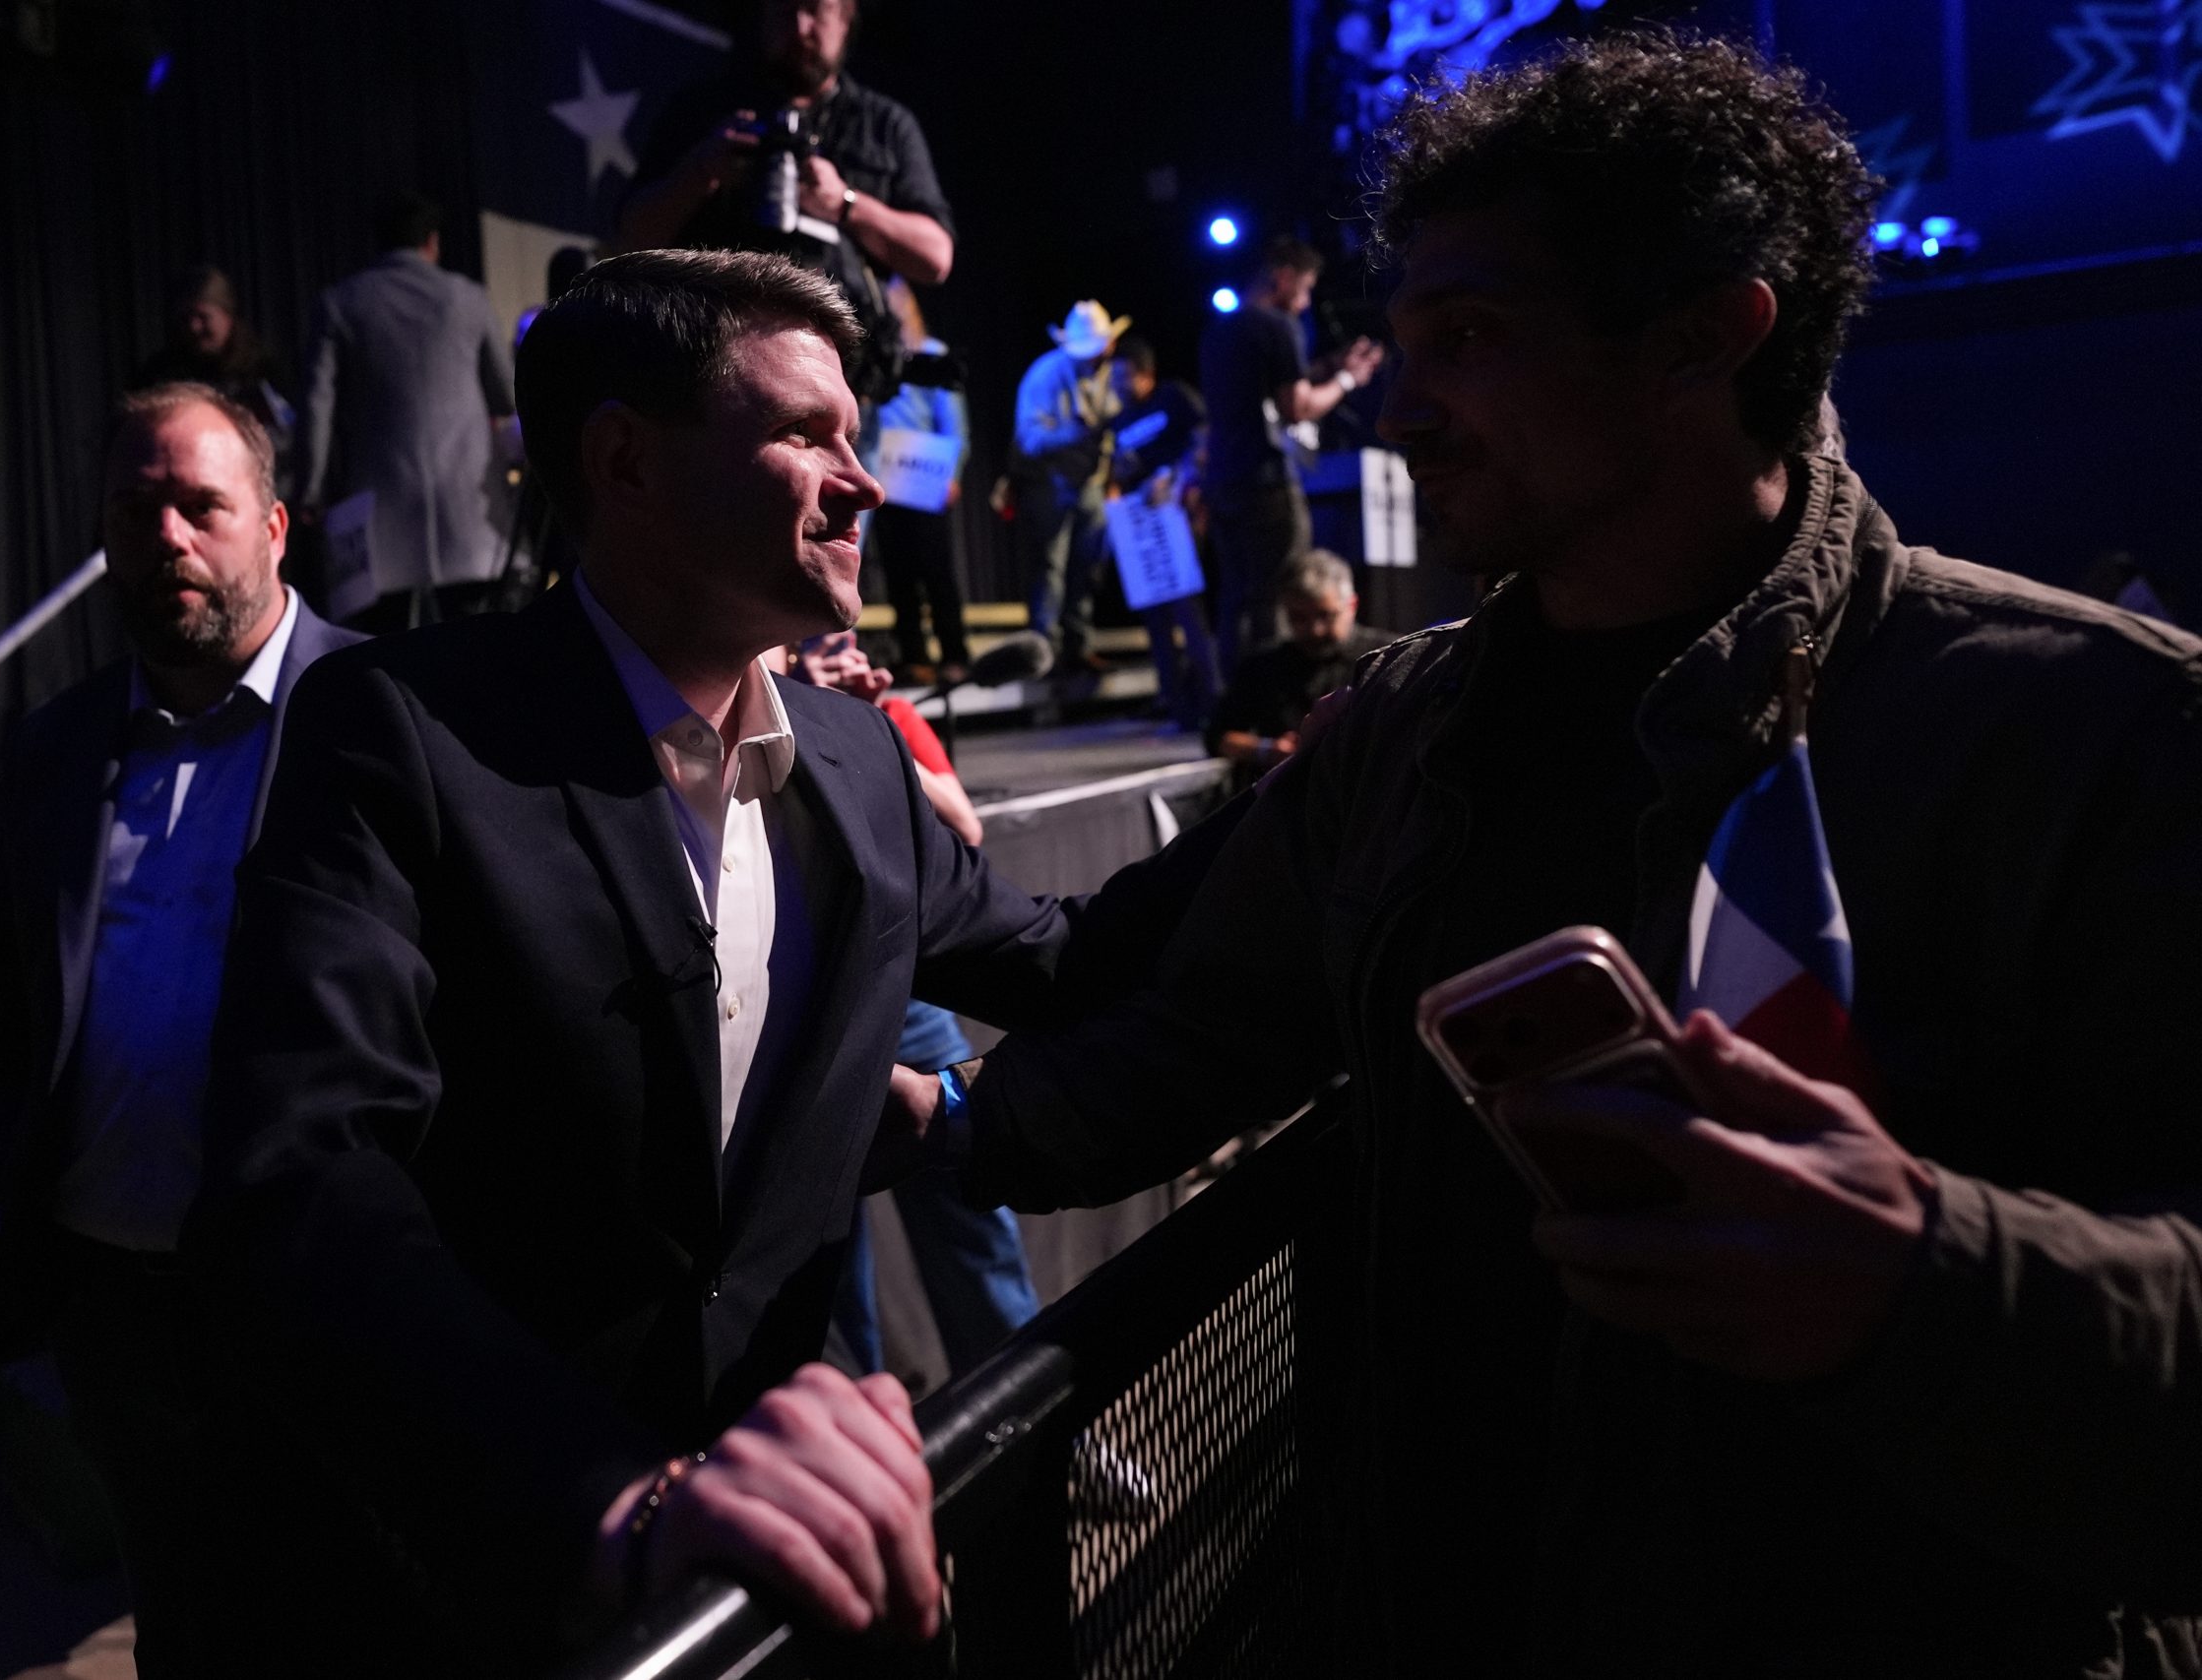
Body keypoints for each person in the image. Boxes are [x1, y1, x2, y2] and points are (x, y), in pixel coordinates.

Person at [881, 34, 2202, 1674]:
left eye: (1473, 338)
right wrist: (915, 1101)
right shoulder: (1407, 724)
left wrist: (1925, 1272)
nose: (1408, 404)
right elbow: (1186, 1015)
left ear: (1708, 337)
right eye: (1400, 338)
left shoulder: (2088, 729)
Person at [188, 250, 1077, 1672]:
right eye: (805, 433)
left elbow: (1066, 958)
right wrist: (612, 1495)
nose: (862, 481)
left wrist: (1312, 810)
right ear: (625, 461)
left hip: (794, 1590)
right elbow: (303, 1171)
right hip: (502, 1589)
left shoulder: (860, 760)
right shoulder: (402, 729)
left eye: (858, 435)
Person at [0, 383, 362, 1674]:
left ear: (275, 525)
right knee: (182, 1614)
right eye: (137, 508)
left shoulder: (390, 713)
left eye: (202, 504)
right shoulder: (56, 744)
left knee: (351, 1607)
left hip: (323, 1288)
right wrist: (1, 1211)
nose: (169, 533)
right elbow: (9, 1008)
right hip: (116, 1293)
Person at [786, 633, 1040, 1378]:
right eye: (816, 644)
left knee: (974, 1218)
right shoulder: (734, 704)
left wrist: (854, 724)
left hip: (904, 997)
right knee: (824, 1260)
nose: (841, 649)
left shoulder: (886, 715)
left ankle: (1024, 1425)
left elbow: (962, 828)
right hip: (798, 1006)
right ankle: (853, 1445)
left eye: (845, 640)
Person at [619, 0, 953, 402]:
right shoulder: (703, 111)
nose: (800, 27)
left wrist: (845, 203)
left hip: (843, 380)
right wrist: (701, 172)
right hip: (708, 376)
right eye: (783, 11)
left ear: (846, 21)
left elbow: (935, 258)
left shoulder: (884, 125)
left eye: (816, 11)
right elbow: (628, 240)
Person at [298, 192, 518, 634]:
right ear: (432, 241)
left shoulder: (341, 303)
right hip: (467, 514)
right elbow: (508, 396)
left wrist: (310, 486)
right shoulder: (467, 298)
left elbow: (317, 403)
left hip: (380, 517)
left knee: (392, 654)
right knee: (478, 645)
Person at [1199, 235, 1383, 669]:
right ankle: (1275, 705)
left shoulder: (1217, 331)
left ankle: (1234, 703)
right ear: (1283, 278)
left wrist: (1328, 367)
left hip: (1223, 480)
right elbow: (1297, 408)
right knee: (1280, 595)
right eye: (1303, 290)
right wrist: (1348, 381)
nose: (1303, 304)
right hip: (1267, 483)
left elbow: (1257, 394)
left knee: (1234, 597)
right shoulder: (1278, 326)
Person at [1108, 332, 1223, 732]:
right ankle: (1175, 704)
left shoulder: (1173, 397)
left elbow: (1205, 438)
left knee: (1188, 612)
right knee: (1155, 619)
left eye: (1125, 377)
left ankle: (1211, 699)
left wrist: (1177, 478)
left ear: (1146, 375)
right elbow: (1119, 470)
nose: (1119, 386)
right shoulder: (1119, 419)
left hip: (1177, 516)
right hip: (1142, 526)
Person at [1009, 300, 1130, 672]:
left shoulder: (1115, 375)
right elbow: (1028, 438)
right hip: (1051, 484)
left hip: (1093, 485)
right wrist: (1072, 434)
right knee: (1050, 568)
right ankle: (1043, 654)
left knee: (1087, 567)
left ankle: (1079, 646)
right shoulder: (1045, 374)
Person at [1205, 549, 1391, 787]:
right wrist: (1266, 750)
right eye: (1299, 618)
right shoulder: (1263, 666)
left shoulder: (1388, 656)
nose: (1315, 630)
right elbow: (1216, 737)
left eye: (1326, 615)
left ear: (1352, 604)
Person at [866, 276, 972, 680]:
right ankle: (915, 656)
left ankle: (955, 654)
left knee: (937, 568)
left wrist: (953, 472)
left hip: (925, 471)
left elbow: (954, 422)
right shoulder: (876, 359)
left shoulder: (930, 353)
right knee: (898, 570)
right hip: (884, 472)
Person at [132, 266, 294, 455]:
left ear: (228, 317)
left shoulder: (262, 370)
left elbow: (290, 434)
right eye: (186, 319)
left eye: (203, 317)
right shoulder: (161, 372)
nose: (194, 327)